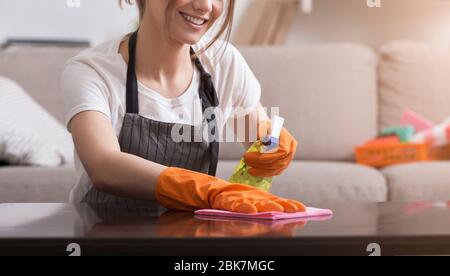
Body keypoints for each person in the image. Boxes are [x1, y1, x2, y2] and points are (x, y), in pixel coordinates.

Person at [62, 0, 304, 213]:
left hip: (190, 238)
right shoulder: (92, 71)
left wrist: (272, 143)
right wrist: (209, 190)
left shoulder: (222, 62)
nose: (206, 5)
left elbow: (259, 134)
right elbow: (104, 166)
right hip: (105, 235)